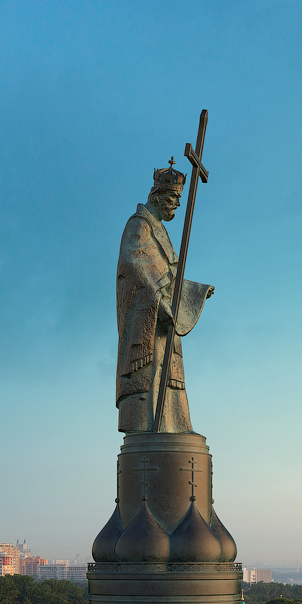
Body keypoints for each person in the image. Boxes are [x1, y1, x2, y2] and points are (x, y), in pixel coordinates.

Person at [116, 160, 213, 433]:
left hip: (163, 312)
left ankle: (175, 425)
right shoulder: (139, 225)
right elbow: (134, 264)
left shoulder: (160, 230)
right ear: (158, 197)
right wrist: (158, 300)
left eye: (179, 199)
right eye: (173, 198)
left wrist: (194, 291)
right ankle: (150, 428)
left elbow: (169, 275)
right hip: (147, 316)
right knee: (152, 372)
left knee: (169, 371)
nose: (177, 205)